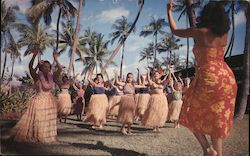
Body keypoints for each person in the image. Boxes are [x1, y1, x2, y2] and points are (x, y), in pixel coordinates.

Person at [167, 1, 238, 156]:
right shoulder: (224, 34)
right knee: (216, 119)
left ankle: (207, 149)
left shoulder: (200, 32)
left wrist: (169, 12)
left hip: (209, 76)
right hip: (226, 77)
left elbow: (174, 30)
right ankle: (217, 153)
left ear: (206, 16)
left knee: (187, 109)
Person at [10, 49, 60, 143]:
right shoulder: (36, 76)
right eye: (44, 67)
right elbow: (30, 66)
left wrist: (56, 59)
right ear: (41, 68)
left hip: (50, 100)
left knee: (47, 119)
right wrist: (34, 56)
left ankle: (46, 135)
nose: (47, 69)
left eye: (48, 67)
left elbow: (60, 69)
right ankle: (36, 134)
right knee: (38, 119)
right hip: (39, 100)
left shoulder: (51, 77)